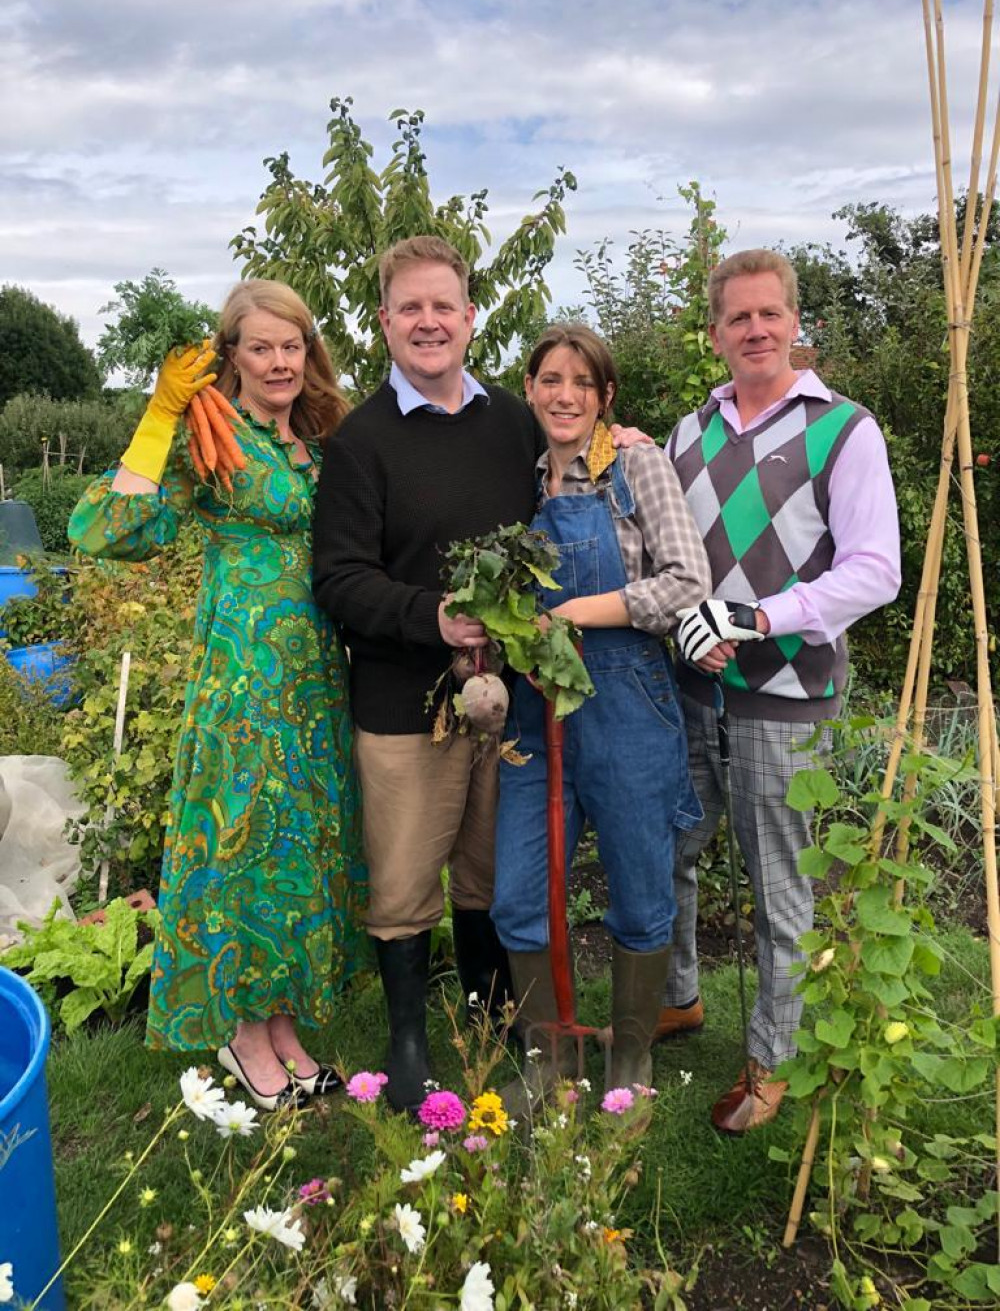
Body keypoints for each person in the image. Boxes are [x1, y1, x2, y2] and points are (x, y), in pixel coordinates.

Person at [311, 237, 646, 1112]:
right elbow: (339, 578)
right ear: (384, 321)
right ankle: (411, 1038)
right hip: (404, 701)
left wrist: (622, 439)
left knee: (491, 870)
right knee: (404, 878)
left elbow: (576, 454)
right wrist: (431, 617)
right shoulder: (361, 442)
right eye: (410, 307)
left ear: (469, 317)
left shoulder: (509, 419)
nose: (429, 322)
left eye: (444, 306)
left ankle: (491, 1016)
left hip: (514, 698)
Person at [69, 280, 366, 1111]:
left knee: (295, 849)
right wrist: (160, 417)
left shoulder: (317, 437)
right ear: (230, 355)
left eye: (292, 345)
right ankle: (239, 1033)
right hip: (241, 680)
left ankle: (280, 1024)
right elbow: (103, 531)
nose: (279, 361)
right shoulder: (212, 436)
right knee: (239, 845)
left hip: (314, 680)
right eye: (261, 346)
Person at [661, 248, 901, 1130]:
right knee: (675, 854)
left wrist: (755, 620)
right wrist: (694, 618)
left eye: (771, 314)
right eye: (738, 317)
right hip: (694, 689)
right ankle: (680, 996)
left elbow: (876, 571)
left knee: (777, 887)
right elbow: (673, 551)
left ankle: (773, 1057)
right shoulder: (691, 432)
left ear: (798, 321)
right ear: (716, 331)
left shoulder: (844, 430)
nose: (756, 329)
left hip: (787, 695)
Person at [490, 325, 710, 1101]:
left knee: (641, 888)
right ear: (530, 389)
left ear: (605, 397)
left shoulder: (635, 466)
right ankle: (551, 1059)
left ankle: (630, 1061)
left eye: (582, 383)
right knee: (518, 888)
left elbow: (688, 578)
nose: (565, 395)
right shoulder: (521, 485)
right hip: (537, 712)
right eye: (550, 379)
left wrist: (583, 608)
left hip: (627, 704)